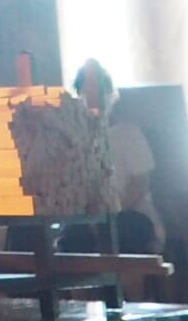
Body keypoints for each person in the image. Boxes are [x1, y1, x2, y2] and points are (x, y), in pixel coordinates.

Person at [64, 58, 159, 254]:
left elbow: (140, 183)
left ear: (110, 94)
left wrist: (111, 213)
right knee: (71, 239)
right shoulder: (73, 139)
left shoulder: (128, 133)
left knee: (126, 233)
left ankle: (129, 284)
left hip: (129, 214)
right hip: (86, 218)